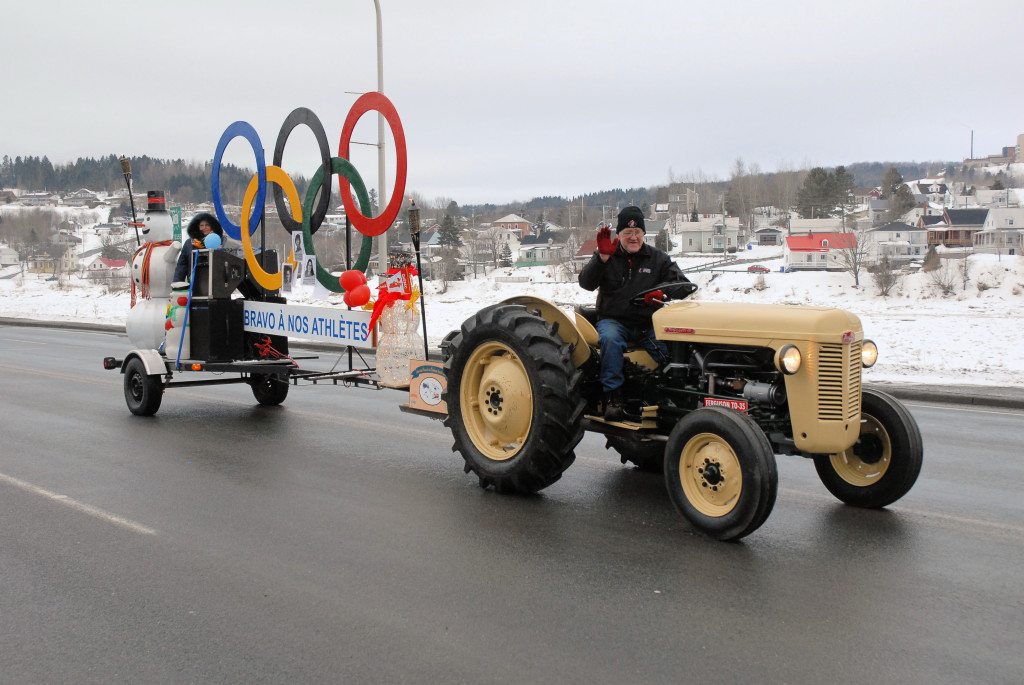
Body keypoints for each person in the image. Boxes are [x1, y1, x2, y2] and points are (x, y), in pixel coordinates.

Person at [579, 205, 689, 420]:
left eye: (637, 232)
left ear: (643, 234)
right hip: (614, 321)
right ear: (619, 235)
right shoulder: (606, 256)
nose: (633, 237)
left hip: (647, 323)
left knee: (672, 352)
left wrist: (663, 292)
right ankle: (613, 397)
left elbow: (683, 285)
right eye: (627, 233)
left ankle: (669, 394)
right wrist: (600, 258)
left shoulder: (658, 259)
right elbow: (586, 283)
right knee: (610, 341)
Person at [172, 212, 226, 286]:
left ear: (213, 226)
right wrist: (177, 283)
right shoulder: (189, 243)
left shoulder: (221, 241)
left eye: (207, 225)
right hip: (195, 285)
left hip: (217, 284)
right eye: (201, 225)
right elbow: (182, 265)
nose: (204, 228)